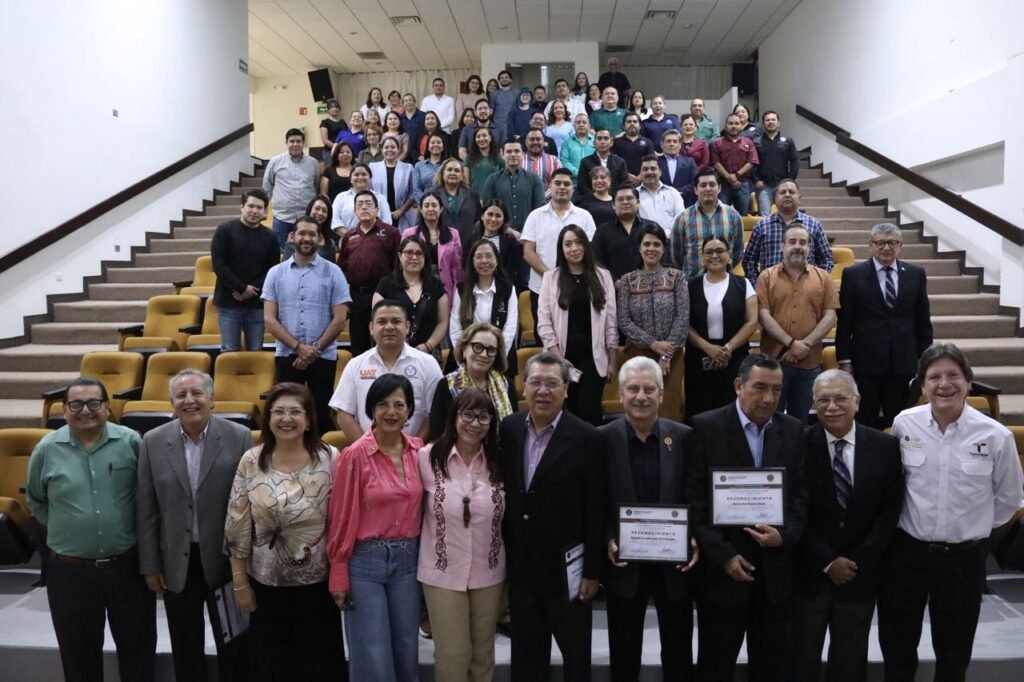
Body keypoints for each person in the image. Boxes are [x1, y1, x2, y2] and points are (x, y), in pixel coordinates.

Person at [878, 343, 1024, 682]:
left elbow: (1008, 499)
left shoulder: (996, 436)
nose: (944, 384)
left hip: (963, 560)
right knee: (897, 648)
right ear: (923, 384)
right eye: (934, 377)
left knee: (954, 655)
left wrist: (975, 528)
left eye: (953, 376)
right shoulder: (904, 425)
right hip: (906, 555)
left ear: (969, 382)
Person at [686, 353, 809, 682]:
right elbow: (695, 500)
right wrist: (723, 555)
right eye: (760, 388)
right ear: (739, 386)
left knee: (772, 666)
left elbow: (801, 495)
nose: (769, 398)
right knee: (716, 664)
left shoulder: (794, 430)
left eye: (776, 390)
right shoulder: (705, 427)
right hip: (723, 572)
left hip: (776, 572)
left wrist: (787, 535)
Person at [27, 377, 156, 682]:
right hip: (71, 574)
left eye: (94, 403)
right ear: (64, 408)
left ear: (107, 407)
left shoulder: (131, 442)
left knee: (138, 652)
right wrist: (71, 529)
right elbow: (36, 500)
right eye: (76, 404)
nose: (85, 410)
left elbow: (147, 497)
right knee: (79, 658)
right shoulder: (46, 449)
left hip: (127, 568)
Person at [136, 369, 253, 682]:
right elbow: (147, 509)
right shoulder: (152, 441)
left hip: (227, 561)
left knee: (234, 644)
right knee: (185, 647)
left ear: (212, 399)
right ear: (172, 403)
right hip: (177, 561)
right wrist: (150, 564)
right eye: (181, 395)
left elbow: (247, 504)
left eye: (197, 393)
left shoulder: (238, 436)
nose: (190, 400)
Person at [224, 383, 345, 680]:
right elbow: (236, 524)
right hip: (266, 587)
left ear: (308, 419)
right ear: (268, 419)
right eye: (278, 412)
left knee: (318, 666)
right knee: (272, 667)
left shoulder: (331, 458)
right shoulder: (252, 460)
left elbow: (342, 521)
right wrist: (240, 583)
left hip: (319, 587)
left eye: (294, 412)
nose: (286, 419)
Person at [499, 351, 606, 682]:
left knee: (576, 660)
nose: (542, 391)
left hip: (567, 574)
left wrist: (593, 572)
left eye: (551, 384)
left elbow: (598, 509)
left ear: (566, 389)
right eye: (535, 382)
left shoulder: (589, 437)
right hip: (522, 569)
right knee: (527, 659)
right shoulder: (509, 428)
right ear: (523, 386)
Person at [794, 370, 904, 682]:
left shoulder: (885, 446)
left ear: (857, 401)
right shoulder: (798, 444)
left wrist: (856, 561)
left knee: (850, 662)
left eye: (840, 398)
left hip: (861, 574)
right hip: (809, 574)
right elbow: (793, 510)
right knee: (802, 659)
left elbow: (890, 511)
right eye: (823, 400)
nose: (831, 407)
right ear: (813, 404)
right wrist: (827, 561)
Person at [603, 356, 699, 682]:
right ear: (620, 393)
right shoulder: (600, 439)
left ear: (661, 394)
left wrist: (694, 536)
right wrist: (608, 538)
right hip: (624, 564)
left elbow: (696, 496)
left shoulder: (685, 437)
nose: (640, 396)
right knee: (624, 652)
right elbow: (594, 501)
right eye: (633, 389)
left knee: (678, 652)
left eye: (648, 389)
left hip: (674, 566)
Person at [327, 374, 425, 681]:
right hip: (365, 561)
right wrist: (338, 572)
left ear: (410, 410)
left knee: (407, 647)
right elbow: (340, 518)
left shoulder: (420, 451)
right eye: (383, 404)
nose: (391, 412)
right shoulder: (354, 455)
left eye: (400, 404)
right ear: (371, 409)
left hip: (409, 561)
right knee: (372, 650)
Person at [419, 388, 507, 681]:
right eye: (467, 414)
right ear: (454, 416)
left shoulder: (500, 462)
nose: (475, 423)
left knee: (483, 655)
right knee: (453, 656)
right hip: (442, 573)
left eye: (483, 416)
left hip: (489, 572)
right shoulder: (427, 457)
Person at [836, 223, 932, 429]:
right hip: (866, 362)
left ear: (901, 246)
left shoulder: (916, 274)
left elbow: (923, 320)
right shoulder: (853, 275)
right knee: (865, 421)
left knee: (900, 422)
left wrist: (926, 360)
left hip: (903, 362)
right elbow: (845, 322)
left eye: (892, 243)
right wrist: (844, 359)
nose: (886, 247)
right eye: (880, 242)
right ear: (871, 245)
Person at [262, 215, 351, 429]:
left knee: (321, 415)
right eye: (302, 233)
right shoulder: (275, 273)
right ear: (292, 237)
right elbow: (269, 319)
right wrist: (299, 348)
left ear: (320, 239)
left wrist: (314, 349)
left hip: (323, 355)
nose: (306, 238)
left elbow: (340, 318)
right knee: (287, 411)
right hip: (287, 355)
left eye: (312, 234)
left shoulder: (334, 272)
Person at [757, 224, 840, 423]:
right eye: (792, 242)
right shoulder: (766, 277)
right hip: (774, 361)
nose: (797, 246)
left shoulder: (824, 278)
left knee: (800, 422)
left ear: (809, 247)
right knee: (769, 420)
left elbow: (830, 316)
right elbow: (763, 315)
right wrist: (791, 343)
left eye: (803, 242)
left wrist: (804, 345)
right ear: (781, 246)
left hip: (809, 362)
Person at [537, 224, 618, 426]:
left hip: (594, 357)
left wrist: (613, 360)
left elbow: (611, 322)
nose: (574, 248)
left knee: (589, 411)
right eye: (568, 244)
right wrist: (558, 358)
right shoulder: (551, 278)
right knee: (565, 414)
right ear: (561, 249)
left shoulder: (603, 276)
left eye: (579, 242)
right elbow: (544, 324)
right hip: (562, 357)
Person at [329, 299, 443, 442]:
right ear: (371, 328)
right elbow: (343, 413)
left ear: (407, 326)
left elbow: (437, 412)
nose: (389, 327)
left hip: (415, 457)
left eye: (396, 321)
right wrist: (367, 451)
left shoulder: (428, 364)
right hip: (367, 457)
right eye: (382, 322)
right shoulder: (355, 365)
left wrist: (414, 450)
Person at [616, 224, 689, 420]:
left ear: (663, 248)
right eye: (646, 244)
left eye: (656, 244)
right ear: (639, 248)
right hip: (637, 353)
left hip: (671, 357)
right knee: (638, 407)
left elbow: (682, 317)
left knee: (669, 411)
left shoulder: (677, 277)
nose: (651, 249)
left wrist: (665, 355)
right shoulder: (627, 281)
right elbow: (623, 320)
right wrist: (653, 344)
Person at [686, 236, 758, 418]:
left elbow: (751, 322)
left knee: (733, 413)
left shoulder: (743, 284)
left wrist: (727, 348)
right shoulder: (690, 286)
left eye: (720, 251)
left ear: (729, 255)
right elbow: (683, 323)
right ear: (702, 256)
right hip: (699, 359)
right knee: (699, 411)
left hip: (734, 358)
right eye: (709, 252)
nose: (714, 256)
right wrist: (706, 347)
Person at [522, 169, 598, 331]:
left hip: (578, 286)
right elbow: (528, 252)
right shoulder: (535, 216)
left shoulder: (584, 216)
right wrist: (552, 276)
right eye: (558, 183)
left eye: (567, 184)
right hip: (541, 286)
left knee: (575, 334)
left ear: (573, 188)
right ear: (550, 186)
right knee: (544, 336)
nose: (562, 187)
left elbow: (590, 251)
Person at [210, 188, 280, 351]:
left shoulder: (270, 237)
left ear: (265, 211)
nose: (254, 211)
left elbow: (272, 270)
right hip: (228, 302)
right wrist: (241, 288)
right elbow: (219, 265)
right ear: (242, 206)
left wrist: (250, 290)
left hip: (256, 304)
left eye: (259, 208)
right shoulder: (225, 230)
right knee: (229, 350)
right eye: (251, 206)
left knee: (256, 350)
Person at [336, 190, 401, 355]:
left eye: (368, 204)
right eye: (360, 204)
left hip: (384, 294)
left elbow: (399, 265)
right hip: (357, 296)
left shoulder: (391, 233)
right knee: (358, 342)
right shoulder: (349, 236)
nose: (364, 207)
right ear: (355, 211)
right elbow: (342, 268)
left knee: (385, 340)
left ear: (377, 209)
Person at [430, 322, 516, 441]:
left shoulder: (507, 385)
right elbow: (438, 432)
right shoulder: (446, 385)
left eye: (491, 350)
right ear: (464, 349)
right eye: (477, 347)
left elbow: (513, 430)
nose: (484, 354)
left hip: (498, 455)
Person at [742, 179, 834, 284]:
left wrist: (818, 284)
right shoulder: (762, 226)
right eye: (782, 192)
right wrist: (757, 286)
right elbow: (749, 260)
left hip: (806, 289)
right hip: (770, 290)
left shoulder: (814, 225)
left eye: (791, 192)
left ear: (799, 198)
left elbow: (826, 259)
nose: (787, 195)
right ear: (775, 199)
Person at [373, 235, 450, 357]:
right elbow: (377, 320)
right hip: (392, 352)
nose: (414, 257)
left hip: (427, 354)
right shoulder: (386, 284)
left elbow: (443, 321)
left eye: (419, 253)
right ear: (400, 256)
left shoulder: (435, 286)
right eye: (409, 253)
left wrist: (428, 345)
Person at [670, 169, 744, 278]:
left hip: (724, 283)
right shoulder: (682, 218)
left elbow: (737, 253)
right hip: (692, 284)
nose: (708, 189)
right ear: (695, 190)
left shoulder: (733, 216)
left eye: (712, 185)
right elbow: (676, 256)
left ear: (719, 188)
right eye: (703, 185)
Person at [263, 128, 321, 249]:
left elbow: (316, 185)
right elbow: (267, 185)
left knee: (308, 250)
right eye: (292, 141)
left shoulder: (313, 163)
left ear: (303, 143)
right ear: (286, 143)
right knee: (282, 253)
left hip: (306, 217)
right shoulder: (275, 161)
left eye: (298, 141)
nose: (295, 144)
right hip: (282, 218)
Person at [592, 183, 662, 280]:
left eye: (629, 198)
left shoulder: (651, 228)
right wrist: (614, 281)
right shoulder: (602, 231)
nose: (625, 202)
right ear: (613, 205)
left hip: (649, 286)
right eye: (620, 199)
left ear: (638, 202)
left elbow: (663, 256)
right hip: (615, 289)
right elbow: (597, 262)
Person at [402, 191, 463, 301]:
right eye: (426, 206)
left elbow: (457, 268)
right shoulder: (409, 233)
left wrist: (457, 294)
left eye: (434, 205)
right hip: (416, 287)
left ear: (441, 209)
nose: (430, 209)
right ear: (420, 209)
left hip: (444, 289)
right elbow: (402, 264)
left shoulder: (453, 234)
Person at [481, 138, 545, 236]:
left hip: (529, 236)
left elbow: (539, 210)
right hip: (500, 235)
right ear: (502, 154)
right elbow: (487, 210)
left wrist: (527, 233)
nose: (513, 154)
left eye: (517, 151)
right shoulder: (492, 179)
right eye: (509, 151)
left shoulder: (534, 179)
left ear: (523, 153)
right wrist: (509, 230)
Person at [463, 200, 524, 291]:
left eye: (498, 216)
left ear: (504, 220)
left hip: (502, 290)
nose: (493, 219)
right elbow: (467, 267)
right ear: (482, 216)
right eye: (490, 214)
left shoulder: (510, 241)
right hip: (475, 289)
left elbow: (511, 270)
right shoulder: (471, 241)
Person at [752, 111, 800, 217]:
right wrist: (756, 180)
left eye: (773, 120)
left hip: (783, 185)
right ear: (763, 123)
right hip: (764, 186)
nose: (770, 122)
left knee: (786, 214)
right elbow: (751, 163)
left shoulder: (787, 141)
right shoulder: (756, 142)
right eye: (767, 120)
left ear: (778, 123)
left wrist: (790, 180)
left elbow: (795, 161)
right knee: (765, 217)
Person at [711, 114, 760, 216]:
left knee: (743, 215)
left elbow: (752, 161)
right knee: (722, 214)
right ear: (725, 125)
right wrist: (729, 177)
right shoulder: (717, 143)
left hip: (743, 183)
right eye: (730, 123)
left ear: (741, 126)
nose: (733, 126)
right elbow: (715, 162)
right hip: (723, 184)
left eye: (737, 123)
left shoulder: (748, 142)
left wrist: (736, 175)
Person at [329, 163, 392, 234]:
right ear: (350, 179)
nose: (360, 177)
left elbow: (387, 222)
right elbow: (335, 220)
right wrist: (351, 237)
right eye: (356, 174)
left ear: (370, 178)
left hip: (376, 241)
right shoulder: (340, 197)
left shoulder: (380, 198)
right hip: (347, 240)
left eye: (364, 174)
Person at [370, 137, 417, 229]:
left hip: (403, 215)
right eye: (386, 147)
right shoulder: (372, 168)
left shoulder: (408, 168)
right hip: (379, 215)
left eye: (393, 147)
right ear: (382, 149)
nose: (389, 150)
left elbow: (413, 193)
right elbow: (370, 191)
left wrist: (401, 210)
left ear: (398, 150)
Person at [435, 156, 483, 242]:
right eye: (449, 169)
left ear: (462, 176)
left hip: (466, 245)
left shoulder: (472, 195)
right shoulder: (431, 194)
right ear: (442, 173)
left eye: (457, 171)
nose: (453, 173)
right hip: (439, 244)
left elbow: (479, 222)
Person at [639, 154, 688, 234]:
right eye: (645, 169)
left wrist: (664, 236)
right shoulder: (634, 195)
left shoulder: (673, 193)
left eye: (653, 168)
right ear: (640, 173)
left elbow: (680, 218)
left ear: (660, 172)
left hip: (671, 242)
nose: (649, 172)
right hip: (644, 243)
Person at [283, 195, 337, 262]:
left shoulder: (330, 243)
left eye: (324, 211)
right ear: (310, 210)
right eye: (317, 209)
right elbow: (286, 264)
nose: (320, 213)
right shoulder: (295, 236)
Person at [577, 128, 630, 195]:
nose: (602, 142)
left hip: (615, 201)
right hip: (592, 201)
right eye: (599, 139)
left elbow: (624, 183)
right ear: (594, 143)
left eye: (606, 138)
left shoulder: (620, 162)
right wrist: (596, 198)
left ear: (611, 142)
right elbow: (582, 186)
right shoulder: (585, 162)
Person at [657, 131, 699, 204]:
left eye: (675, 141)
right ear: (661, 144)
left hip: (685, 202)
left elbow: (695, 182)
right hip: (660, 201)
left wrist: (677, 192)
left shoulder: (689, 162)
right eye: (668, 141)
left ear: (680, 145)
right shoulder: (656, 162)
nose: (672, 144)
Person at [614, 113, 655, 184]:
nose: (632, 124)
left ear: (639, 126)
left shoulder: (647, 142)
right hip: (622, 181)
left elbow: (652, 161)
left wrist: (641, 175)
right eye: (629, 121)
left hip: (644, 181)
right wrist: (626, 175)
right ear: (623, 126)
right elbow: (614, 162)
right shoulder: (616, 142)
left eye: (635, 121)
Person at [465, 126, 505, 196]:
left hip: (493, 199)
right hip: (474, 199)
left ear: (490, 138)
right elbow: (466, 183)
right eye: (478, 136)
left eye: (484, 135)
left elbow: (503, 182)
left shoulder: (499, 159)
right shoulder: (469, 158)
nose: (481, 139)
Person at [559, 112, 596, 182]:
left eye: (584, 122)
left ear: (589, 126)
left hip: (593, 181)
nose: (581, 124)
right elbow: (564, 161)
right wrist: (579, 174)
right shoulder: (567, 143)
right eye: (578, 122)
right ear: (574, 125)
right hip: (574, 182)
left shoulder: (596, 141)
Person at [413, 132, 448, 202]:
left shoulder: (448, 165)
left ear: (443, 146)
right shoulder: (419, 165)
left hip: (446, 205)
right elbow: (416, 190)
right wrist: (426, 203)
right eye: (432, 143)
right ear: (428, 147)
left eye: (439, 142)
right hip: (425, 206)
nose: (435, 145)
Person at [489, 69, 518, 139]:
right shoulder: (494, 94)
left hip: (513, 126)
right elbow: (491, 111)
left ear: (510, 79)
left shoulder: (517, 93)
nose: (504, 79)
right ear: (499, 80)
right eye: (502, 78)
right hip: (497, 126)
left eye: (506, 77)